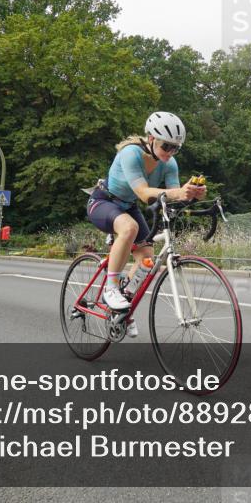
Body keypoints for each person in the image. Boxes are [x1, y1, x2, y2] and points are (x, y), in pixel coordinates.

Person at [86, 112, 206, 337]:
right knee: (129, 228)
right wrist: (178, 192)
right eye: (167, 146)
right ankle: (111, 288)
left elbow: (173, 196)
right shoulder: (130, 154)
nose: (170, 153)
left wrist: (191, 194)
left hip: (128, 208)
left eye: (176, 148)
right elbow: (143, 193)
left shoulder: (169, 164)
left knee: (148, 260)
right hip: (103, 202)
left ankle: (122, 309)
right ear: (151, 139)